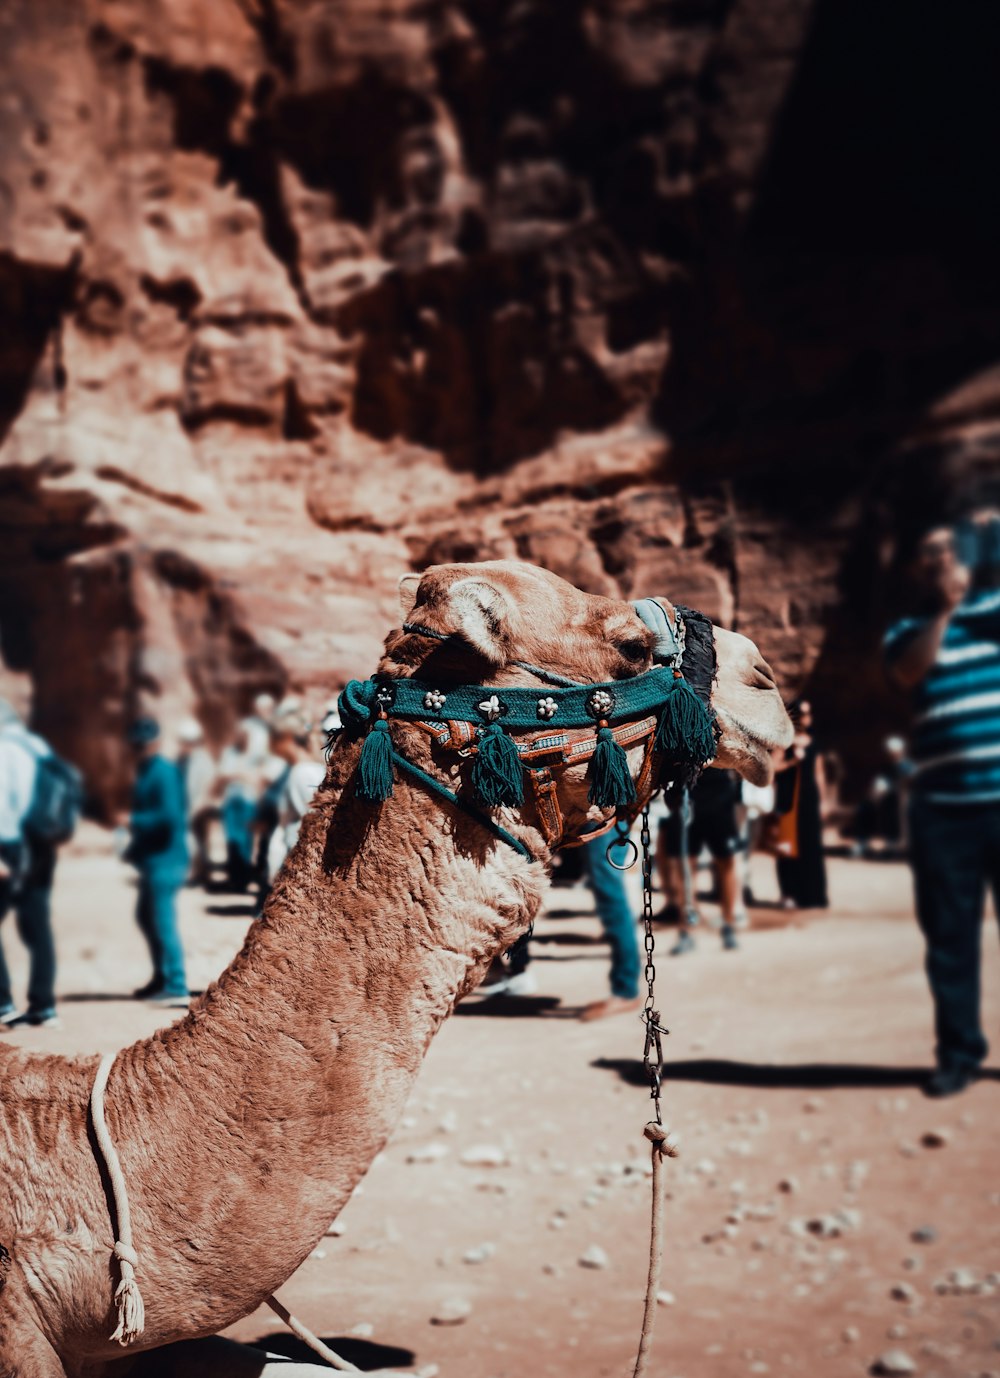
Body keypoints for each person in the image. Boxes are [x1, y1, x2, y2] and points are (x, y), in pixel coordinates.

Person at [884, 509, 1000, 1097]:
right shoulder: (906, 630)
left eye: (947, 552)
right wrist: (949, 611)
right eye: (929, 557)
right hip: (942, 808)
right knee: (950, 938)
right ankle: (959, 1053)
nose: (938, 563)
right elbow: (909, 673)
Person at [480, 831, 643, 1018]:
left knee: (609, 892)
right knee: (609, 890)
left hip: (605, 816)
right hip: (605, 817)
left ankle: (626, 989)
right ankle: (626, 986)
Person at [0, 701, 61, 1030]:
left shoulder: (2, 749)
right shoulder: (38, 746)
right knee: (38, 926)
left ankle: (3, 1006)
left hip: (10, 844)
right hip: (43, 843)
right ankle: (44, 1007)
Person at [125, 717, 190, 1008]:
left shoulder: (162, 772)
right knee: (146, 917)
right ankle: (161, 978)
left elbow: (169, 817)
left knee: (162, 921)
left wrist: (132, 820)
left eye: (143, 744)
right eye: (136, 745)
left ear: (155, 742)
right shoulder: (146, 769)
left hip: (167, 859)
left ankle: (176, 985)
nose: (139, 749)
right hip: (152, 859)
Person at [657, 769, 746, 953]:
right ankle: (687, 929)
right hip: (684, 790)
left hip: (720, 789)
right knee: (684, 865)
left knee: (726, 860)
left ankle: (728, 924)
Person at [772, 700, 829, 910]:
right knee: (787, 847)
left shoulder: (814, 743)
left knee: (810, 846)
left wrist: (823, 802)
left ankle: (812, 894)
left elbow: (819, 774)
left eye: (809, 713)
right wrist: (792, 762)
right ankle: (790, 893)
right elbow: (773, 768)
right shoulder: (785, 741)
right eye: (803, 713)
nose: (806, 717)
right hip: (788, 801)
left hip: (809, 800)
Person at [263, 703, 326, 886]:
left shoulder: (302, 773)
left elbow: (311, 820)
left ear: (285, 739)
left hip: (294, 860)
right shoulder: (307, 769)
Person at [176, 717, 216, 886]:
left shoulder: (203, 760)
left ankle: (201, 873)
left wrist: (197, 806)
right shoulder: (181, 760)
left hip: (200, 806)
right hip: (186, 805)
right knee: (193, 839)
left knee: (200, 840)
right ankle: (196, 872)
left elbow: (208, 786)